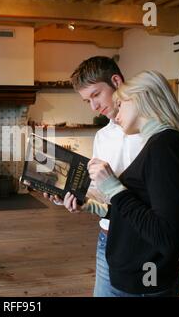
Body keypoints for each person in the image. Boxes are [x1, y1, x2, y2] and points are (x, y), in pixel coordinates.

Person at [87, 70, 179, 296]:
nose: (116, 112)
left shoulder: (165, 146)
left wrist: (113, 187)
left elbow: (165, 236)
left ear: (141, 98)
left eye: (121, 104)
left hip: (145, 279)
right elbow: (141, 212)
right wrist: (89, 206)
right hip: (134, 275)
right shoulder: (161, 144)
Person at [44, 56, 144, 296]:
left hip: (144, 242)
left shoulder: (151, 133)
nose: (94, 106)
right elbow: (102, 192)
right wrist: (77, 197)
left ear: (116, 81)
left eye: (96, 95)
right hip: (107, 237)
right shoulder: (102, 137)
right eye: (87, 100)